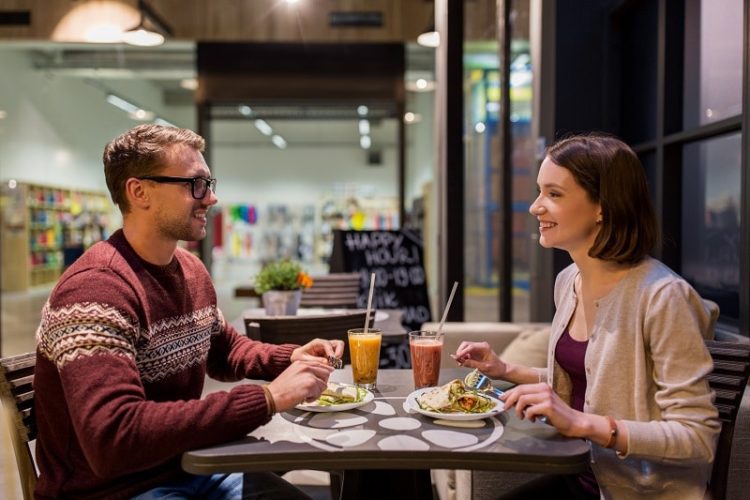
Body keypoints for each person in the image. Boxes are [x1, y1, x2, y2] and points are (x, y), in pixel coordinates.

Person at [33, 124, 344, 499]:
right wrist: (267, 399)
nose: (211, 198)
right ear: (139, 191)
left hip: (187, 466)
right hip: (112, 490)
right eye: (196, 184)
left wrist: (290, 356)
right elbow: (113, 437)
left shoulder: (190, 269)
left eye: (210, 183)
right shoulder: (95, 289)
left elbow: (224, 350)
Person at [453, 133, 720, 499]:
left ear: (602, 207)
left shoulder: (662, 297)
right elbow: (596, 379)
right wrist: (507, 370)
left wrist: (582, 423)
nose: (535, 207)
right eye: (538, 191)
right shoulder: (568, 282)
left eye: (554, 194)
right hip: (581, 478)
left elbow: (698, 437)